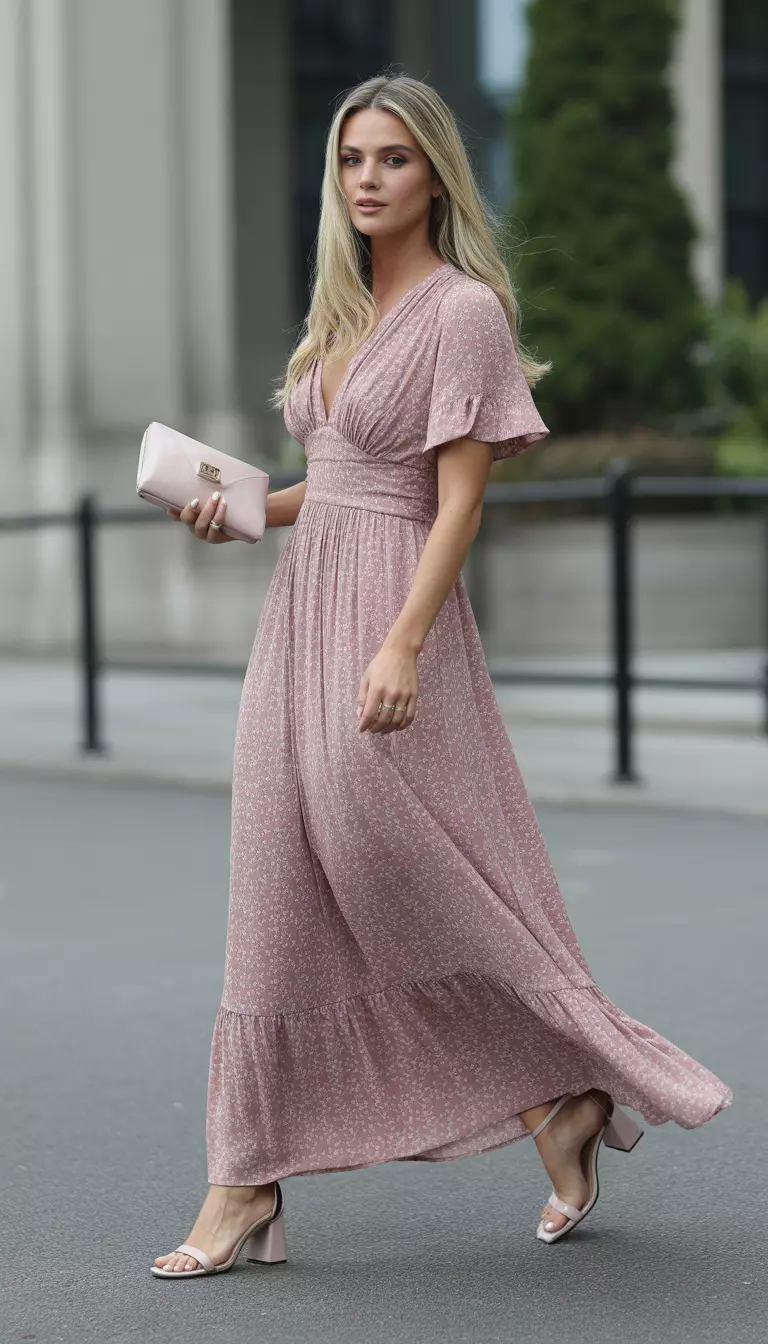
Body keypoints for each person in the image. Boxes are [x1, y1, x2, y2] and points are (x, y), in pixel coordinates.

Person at [151, 73, 731, 1278]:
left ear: (435, 177)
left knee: (388, 855)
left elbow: (453, 501)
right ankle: (244, 1179)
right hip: (301, 608)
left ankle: (567, 1089)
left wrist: (404, 639)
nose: (368, 178)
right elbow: (339, 479)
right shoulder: (344, 312)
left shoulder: (463, 312)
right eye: (353, 158)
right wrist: (242, 510)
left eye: (393, 159)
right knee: (275, 873)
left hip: (390, 609)